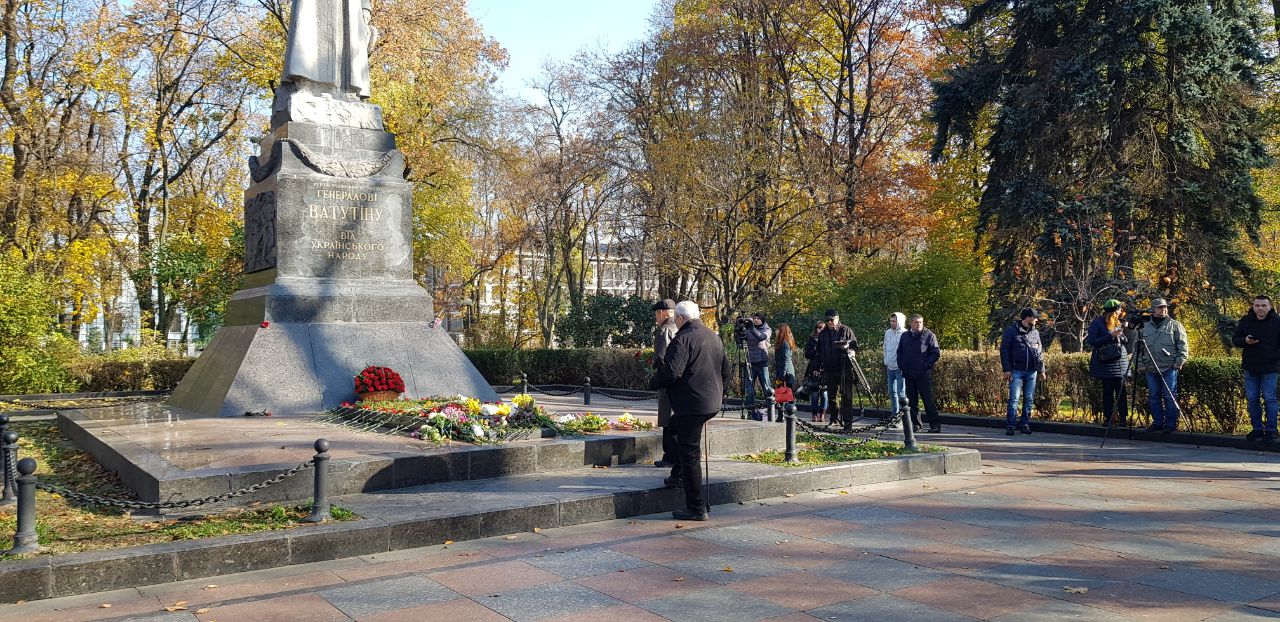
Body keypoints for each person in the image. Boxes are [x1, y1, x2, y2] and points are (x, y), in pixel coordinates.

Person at [649, 301, 730, 521]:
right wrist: (719, 393)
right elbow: (726, 371)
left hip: (691, 405)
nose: (675, 321)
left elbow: (672, 372)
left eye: (676, 318)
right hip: (709, 402)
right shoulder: (713, 336)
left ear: (681, 318)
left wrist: (652, 382)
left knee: (690, 453)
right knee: (675, 428)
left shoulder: (683, 338)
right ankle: (678, 473)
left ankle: (696, 507)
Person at [1134, 298, 1189, 434]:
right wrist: (1140, 364)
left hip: (1169, 367)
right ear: (1153, 310)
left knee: (1170, 396)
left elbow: (1183, 346)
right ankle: (1157, 422)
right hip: (1150, 367)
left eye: (1165, 307)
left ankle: (1170, 424)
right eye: (1160, 307)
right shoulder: (1144, 327)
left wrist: (1178, 362)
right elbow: (1137, 348)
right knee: (1154, 396)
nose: (1163, 309)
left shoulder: (1175, 325)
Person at [1232, 295, 1280, 442]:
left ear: (1270, 307)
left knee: (1270, 398)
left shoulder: (1277, 322)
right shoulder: (1246, 320)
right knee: (1252, 399)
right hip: (1250, 366)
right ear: (1253, 306)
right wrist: (1245, 341)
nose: (1260, 308)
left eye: (1263, 305)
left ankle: (1271, 430)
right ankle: (1257, 429)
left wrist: (1273, 356)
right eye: (1257, 305)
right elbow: (1235, 339)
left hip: (1270, 367)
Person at [1000, 308, 1045, 435]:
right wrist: (1007, 369)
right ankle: (1011, 425)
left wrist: (1042, 370)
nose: (1036, 320)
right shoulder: (1011, 331)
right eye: (1035, 317)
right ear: (1028, 318)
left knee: (1029, 398)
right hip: (1016, 370)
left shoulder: (1035, 332)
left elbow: (1039, 352)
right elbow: (1004, 350)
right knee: (1014, 398)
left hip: (1032, 371)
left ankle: (1025, 424)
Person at [1088, 299, 1129, 428]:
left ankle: (1123, 418)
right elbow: (1092, 341)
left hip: (1120, 362)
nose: (1120, 313)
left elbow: (1123, 340)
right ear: (1112, 312)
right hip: (1105, 363)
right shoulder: (1097, 323)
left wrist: (1122, 336)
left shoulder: (1118, 322)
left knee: (1121, 391)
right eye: (1118, 310)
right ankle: (1108, 418)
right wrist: (1111, 336)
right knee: (1107, 391)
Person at [897, 314, 942, 433]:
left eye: (921, 322)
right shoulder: (905, 336)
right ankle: (916, 425)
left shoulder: (929, 335)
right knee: (912, 402)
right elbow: (900, 352)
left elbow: (935, 353)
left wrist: (926, 365)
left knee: (928, 400)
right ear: (911, 323)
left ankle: (935, 425)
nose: (919, 324)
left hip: (923, 374)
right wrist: (902, 365)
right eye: (916, 322)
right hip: (909, 373)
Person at [816, 309, 859, 430]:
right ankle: (834, 419)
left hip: (844, 368)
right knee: (831, 396)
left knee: (847, 396)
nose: (830, 322)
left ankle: (848, 422)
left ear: (837, 318)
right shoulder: (823, 334)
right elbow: (819, 351)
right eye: (827, 320)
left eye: (832, 319)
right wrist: (816, 367)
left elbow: (854, 345)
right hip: (829, 368)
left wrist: (852, 351)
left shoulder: (846, 330)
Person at [651, 299, 679, 471]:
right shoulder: (680, 327)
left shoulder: (665, 330)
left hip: (667, 381)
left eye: (656, 314)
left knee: (668, 418)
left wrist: (656, 376)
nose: (656, 317)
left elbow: (660, 358)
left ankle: (669, 456)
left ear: (662, 312)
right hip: (681, 381)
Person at [743, 313, 772, 406]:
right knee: (749, 386)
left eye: (758, 318)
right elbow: (742, 340)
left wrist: (751, 328)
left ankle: (770, 407)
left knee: (766, 386)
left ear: (762, 320)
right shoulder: (749, 329)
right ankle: (750, 407)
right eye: (754, 318)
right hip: (750, 361)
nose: (755, 320)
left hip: (762, 362)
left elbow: (761, 337)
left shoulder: (767, 329)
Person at [883, 312, 908, 418]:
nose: (892, 323)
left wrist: (902, 364)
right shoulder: (888, 332)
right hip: (890, 367)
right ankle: (894, 415)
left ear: (900, 321)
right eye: (891, 321)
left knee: (901, 393)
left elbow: (907, 351)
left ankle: (903, 417)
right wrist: (886, 360)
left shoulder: (905, 334)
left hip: (900, 368)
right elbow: (885, 347)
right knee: (891, 392)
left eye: (894, 321)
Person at [803, 321, 829, 422]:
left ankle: (822, 414)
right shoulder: (812, 340)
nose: (820, 329)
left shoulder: (828, 339)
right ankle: (814, 414)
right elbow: (807, 354)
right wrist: (815, 349)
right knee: (815, 393)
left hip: (826, 369)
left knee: (824, 393)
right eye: (818, 327)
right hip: (814, 369)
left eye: (822, 327)